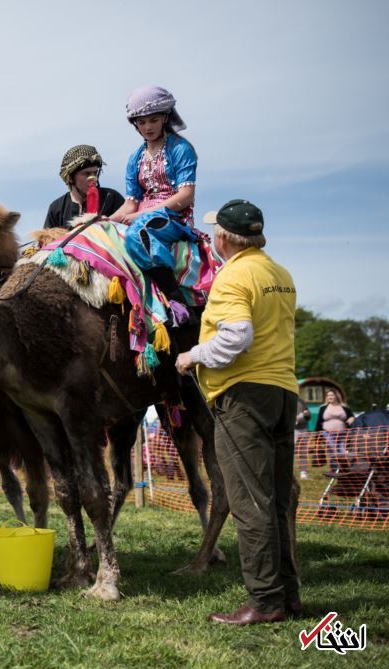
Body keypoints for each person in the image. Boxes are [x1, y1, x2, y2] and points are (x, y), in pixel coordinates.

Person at [175, 199, 301, 625]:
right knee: (278, 499)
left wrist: (193, 354)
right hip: (283, 392)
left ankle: (265, 603)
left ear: (224, 238)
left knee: (251, 502)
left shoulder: (233, 276)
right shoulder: (278, 274)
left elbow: (237, 337)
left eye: (215, 232)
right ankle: (288, 596)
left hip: (243, 397)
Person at [111, 86, 199, 323]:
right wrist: (103, 222)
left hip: (174, 218)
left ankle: (177, 302)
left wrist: (144, 213)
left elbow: (186, 196)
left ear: (165, 118)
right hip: (141, 216)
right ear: (135, 124)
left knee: (138, 233)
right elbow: (130, 204)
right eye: (141, 122)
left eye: (154, 120)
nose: (148, 127)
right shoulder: (134, 158)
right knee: (104, 234)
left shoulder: (181, 149)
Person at [43, 144, 124, 228]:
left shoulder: (111, 197)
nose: (93, 178)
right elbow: (48, 240)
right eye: (86, 173)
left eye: (95, 173)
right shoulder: (57, 208)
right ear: (70, 177)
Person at [315, 389, 354, 472]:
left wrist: (352, 418)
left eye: (332, 395)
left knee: (343, 451)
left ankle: (343, 470)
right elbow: (319, 421)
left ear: (337, 396)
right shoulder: (323, 408)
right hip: (328, 433)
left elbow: (351, 416)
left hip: (342, 433)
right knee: (333, 449)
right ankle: (334, 469)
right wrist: (317, 436)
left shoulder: (344, 407)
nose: (330, 397)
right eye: (328, 395)